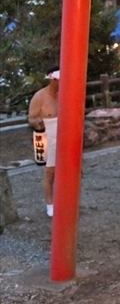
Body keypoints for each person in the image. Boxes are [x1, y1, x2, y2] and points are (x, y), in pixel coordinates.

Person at [27, 66, 59, 217]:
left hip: (63, 133)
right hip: (45, 134)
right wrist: (37, 122)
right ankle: (50, 205)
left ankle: (65, 200)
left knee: (69, 169)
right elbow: (30, 118)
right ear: (53, 79)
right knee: (49, 172)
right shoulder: (40, 96)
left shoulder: (64, 94)